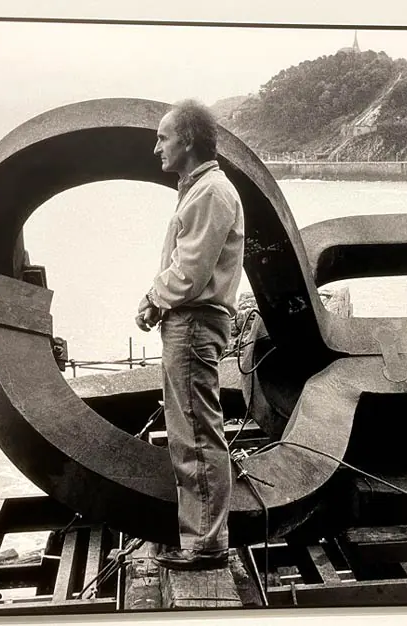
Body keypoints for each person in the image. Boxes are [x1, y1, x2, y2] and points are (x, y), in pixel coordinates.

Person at [136, 100, 245, 570]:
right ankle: (202, 537)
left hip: (194, 322)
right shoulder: (201, 190)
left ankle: (204, 545)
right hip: (192, 322)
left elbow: (190, 272)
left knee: (196, 435)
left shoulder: (210, 193)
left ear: (188, 141)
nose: (156, 146)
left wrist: (153, 298)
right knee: (191, 431)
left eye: (163, 137)